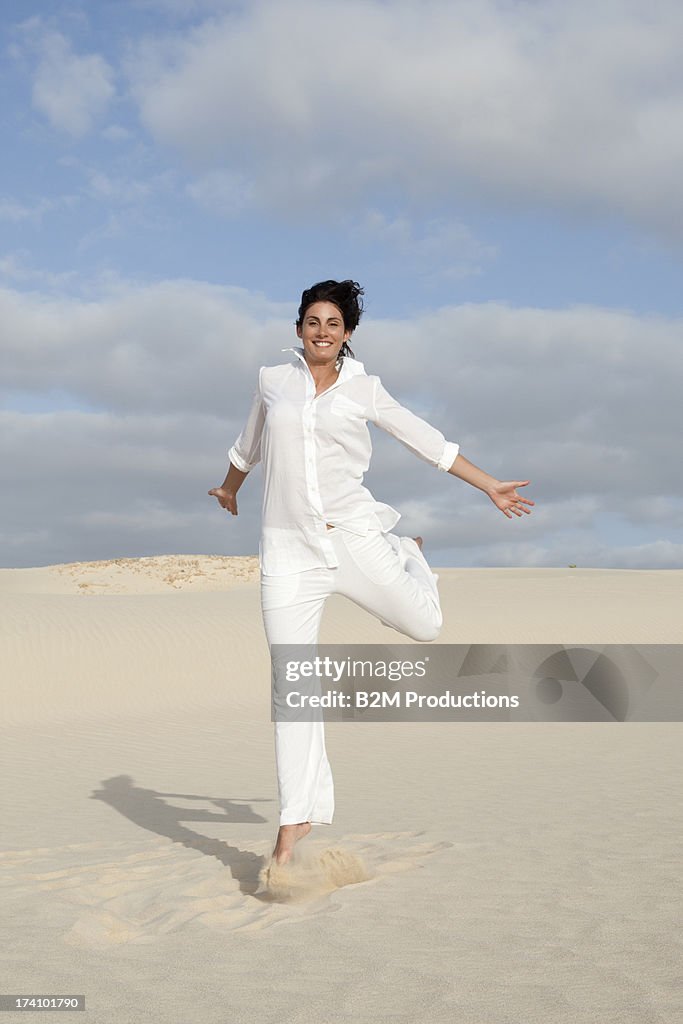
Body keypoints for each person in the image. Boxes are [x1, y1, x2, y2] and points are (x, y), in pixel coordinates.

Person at [209, 279, 534, 866]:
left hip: (355, 539)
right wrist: (229, 490)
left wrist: (489, 485)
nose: (322, 331)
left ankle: (409, 551)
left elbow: (424, 440)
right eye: (312, 321)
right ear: (299, 329)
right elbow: (247, 446)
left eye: (333, 323)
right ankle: (293, 824)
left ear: (348, 334)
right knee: (292, 686)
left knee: (427, 626)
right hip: (289, 553)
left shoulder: (365, 389)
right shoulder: (272, 382)